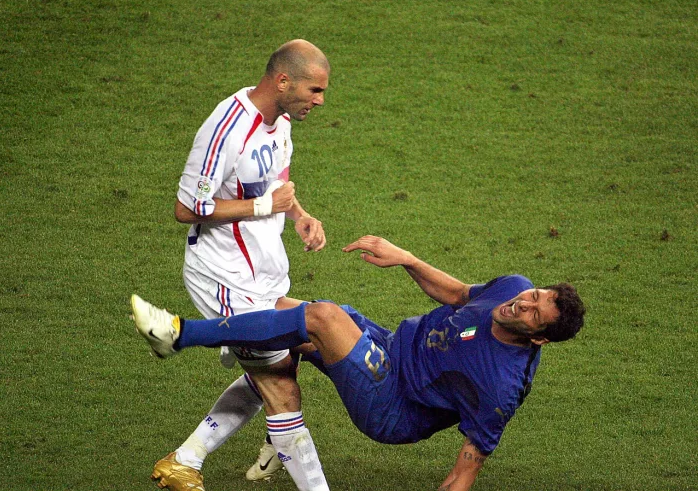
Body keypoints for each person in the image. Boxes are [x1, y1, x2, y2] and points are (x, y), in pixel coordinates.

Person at [132, 235, 586, 491]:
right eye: (534, 294)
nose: (523, 303)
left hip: (392, 407)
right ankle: (203, 454)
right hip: (387, 346)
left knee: (322, 318)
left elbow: (462, 475)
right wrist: (407, 259)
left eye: (533, 313)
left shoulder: (501, 386)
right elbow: (459, 294)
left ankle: (179, 334)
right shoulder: (514, 288)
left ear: (539, 338)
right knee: (279, 316)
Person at [159, 39, 331, 491]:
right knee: (281, 388)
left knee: (287, 356)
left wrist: (299, 215)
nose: (319, 101)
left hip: (264, 271)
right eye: (314, 90)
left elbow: (276, 182)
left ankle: (185, 460)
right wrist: (263, 207)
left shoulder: (281, 121)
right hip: (224, 276)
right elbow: (186, 208)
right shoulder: (227, 128)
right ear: (283, 81)